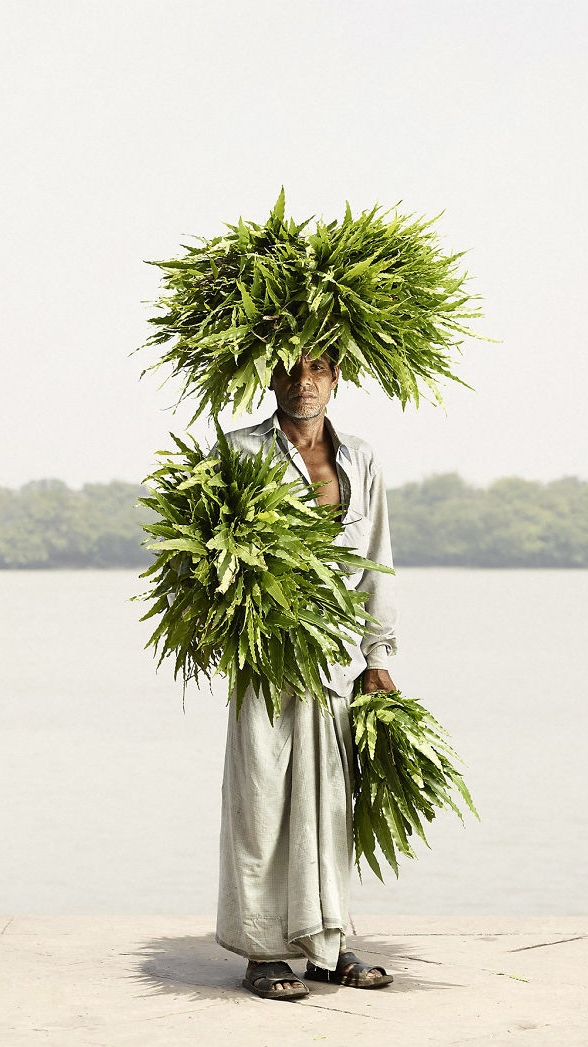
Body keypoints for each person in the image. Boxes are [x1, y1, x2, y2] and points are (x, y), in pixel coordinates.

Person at [215, 349, 399, 999]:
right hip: (266, 655)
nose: (304, 383)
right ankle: (263, 951)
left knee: (331, 804)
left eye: (318, 369)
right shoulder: (238, 450)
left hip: (337, 657)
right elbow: (214, 555)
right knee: (261, 801)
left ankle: (329, 944)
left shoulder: (361, 458)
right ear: (269, 377)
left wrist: (378, 657)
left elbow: (377, 556)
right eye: (290, 371)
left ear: (338, 377)